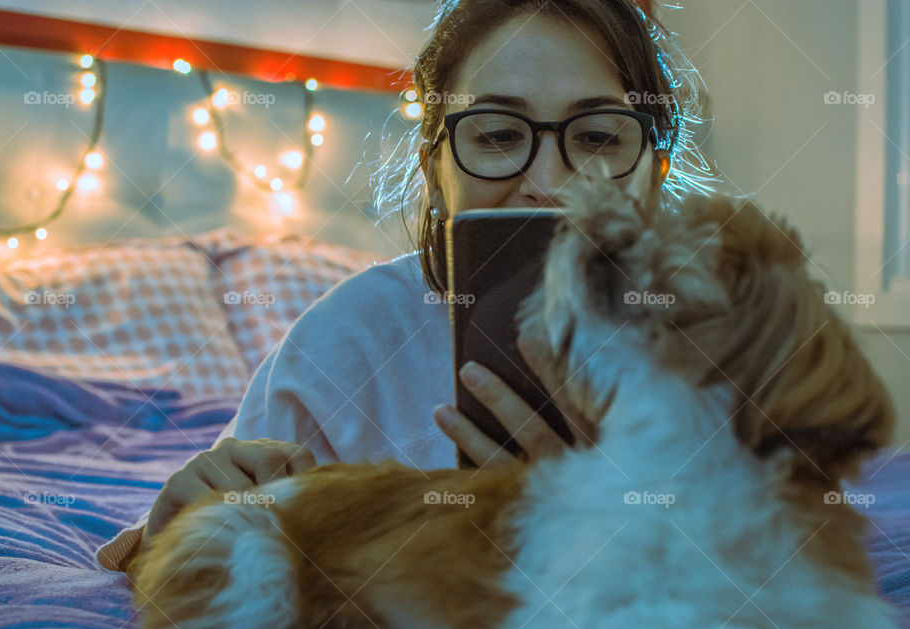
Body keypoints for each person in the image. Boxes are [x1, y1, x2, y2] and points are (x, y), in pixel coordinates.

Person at [96, 0, 715, 573]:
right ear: (436, 173)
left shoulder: (739, 345)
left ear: (654, 175)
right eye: (498, 135)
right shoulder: (347, 342)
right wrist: (169, 545)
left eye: (600, 138)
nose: (548, 182)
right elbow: (205, 550)